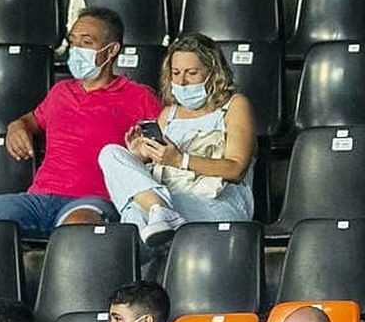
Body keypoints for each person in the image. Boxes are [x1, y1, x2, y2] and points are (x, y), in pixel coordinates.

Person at [0, 8, 159, 237]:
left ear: (111, 49)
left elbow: (163, 147)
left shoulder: (139, 96)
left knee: (75, 231)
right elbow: (32, 119)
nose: (77, 50)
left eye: (86, 42)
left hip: (94, 201)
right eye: (73, 42)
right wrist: (17, 126)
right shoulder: (60, 91)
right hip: (38, 198)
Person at [97, 32, 255, 243]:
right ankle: (159, 212)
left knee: (135, 214)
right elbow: (158, 162)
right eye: (176, 73)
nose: (182, 81)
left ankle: (135, 253)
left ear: (213, 73)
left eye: (191, 73)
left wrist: (181, 160)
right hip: (168, 201)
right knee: (110, 153)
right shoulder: (168, 114)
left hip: (217, 203)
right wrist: (142, 155)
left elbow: (236, 169)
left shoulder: (235, 106)